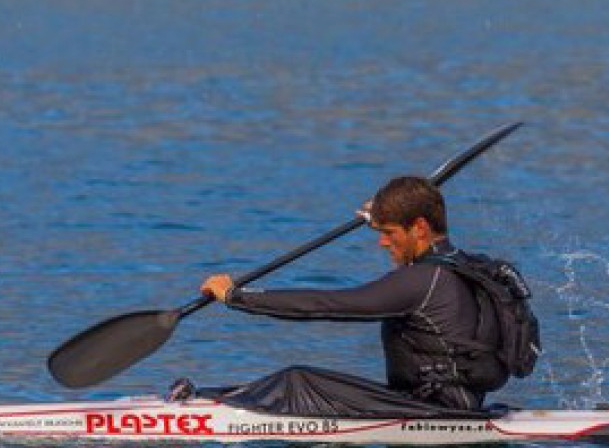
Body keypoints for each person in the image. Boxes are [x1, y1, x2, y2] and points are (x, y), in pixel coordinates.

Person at [200, 175, 507, 410]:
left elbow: (328, 304)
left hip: (434, 411)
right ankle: (211, 398)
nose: (383, 243)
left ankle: (207, 406)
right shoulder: (459, 264)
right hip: (446, 403)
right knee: (293, 382)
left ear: (420, 227)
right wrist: (392, 208)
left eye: (389, 233)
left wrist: (237, 296)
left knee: (298, 380)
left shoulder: (422, 280)